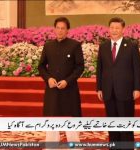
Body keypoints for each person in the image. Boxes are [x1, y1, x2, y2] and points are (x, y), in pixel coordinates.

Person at [96, 17, 140, 150]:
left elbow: (137, 68)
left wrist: (137, 88)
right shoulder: (103, 46)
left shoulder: (131, 46)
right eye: (112, 28)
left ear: (123, 29)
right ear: (108, 29)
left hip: (126, 91)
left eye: (117, 28)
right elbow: (100, 68)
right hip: (108, 91)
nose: (114, 30)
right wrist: (99, 88)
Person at [38, 17, 84, 149]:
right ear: (54, 29)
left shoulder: (75, 45)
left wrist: (67, 81)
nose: (60, 31)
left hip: (69, 89)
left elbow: (80, 67)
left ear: (67, 30)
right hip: (52, 88)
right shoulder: (48, 46)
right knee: (52, 118)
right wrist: (48, 78)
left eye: (63, 28)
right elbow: (41, 67)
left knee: (70, 118)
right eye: (57, 28)